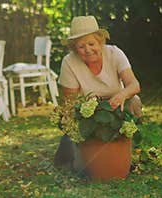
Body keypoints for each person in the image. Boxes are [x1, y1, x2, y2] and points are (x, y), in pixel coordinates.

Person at [54, 15, 142, 172]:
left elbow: (134, 85)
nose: (87, 50)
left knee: (134, 101)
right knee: (82, 166)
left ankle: (131, 149)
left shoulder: (115, 53)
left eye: (91, 43)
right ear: (74, 48)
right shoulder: (69, 62)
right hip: (88, 113)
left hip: (117, 106)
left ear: (100, 41)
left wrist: (121, 95)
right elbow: (70, 104)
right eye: (81, 46)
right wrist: (89, 111)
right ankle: (82, 153)